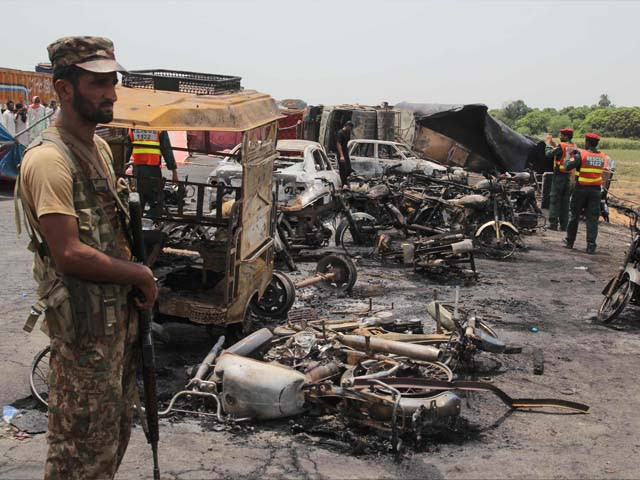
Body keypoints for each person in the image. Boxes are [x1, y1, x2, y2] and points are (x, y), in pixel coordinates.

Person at [15, 36, 157, 479]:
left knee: (112, 441)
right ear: (63, 89)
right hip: (84, 339)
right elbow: (70, 253)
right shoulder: (49, 160)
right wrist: (140, 274)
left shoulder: (96, 148)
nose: (111, 93)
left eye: (112, 81)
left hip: (114, 327)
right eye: (98, 83)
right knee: (78, 455)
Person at [563, 132, 607, 254]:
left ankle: (569, 242)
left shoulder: (581, 154)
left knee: (574, 216)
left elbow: (567, 166)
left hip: (581, 189)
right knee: (592, 219)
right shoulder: (603, 156)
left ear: (587, 142)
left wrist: (569, 154)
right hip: (596, 191)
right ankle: (591, 246)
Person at [125, 128, 179, 213]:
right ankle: (154, 221)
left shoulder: (132, 128)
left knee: (138, 201)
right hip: (153, 169)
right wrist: (174, 172)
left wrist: (122, 167)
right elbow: (166, 149)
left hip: (138, 170)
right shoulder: (159, 127)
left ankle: (139, 222)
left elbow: (127, 150)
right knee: (155, 201)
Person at [545, 128, 577, 231]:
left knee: (555, 199)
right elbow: (563, 154)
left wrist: (548, 144)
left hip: (559, 176)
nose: (560, 137)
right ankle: (564, 226)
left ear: (566, 137)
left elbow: (549, 153)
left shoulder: (562, 146)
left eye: (562, 135)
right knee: (565, 201)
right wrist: (555, 145)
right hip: (569, 177)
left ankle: (553, 224)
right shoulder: (573, 146)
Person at [335, 120, 354, 184]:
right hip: (341, 153)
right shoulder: (340, 133)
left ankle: (345, 182)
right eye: (350, 128)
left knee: (348, 169)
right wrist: (341, 155)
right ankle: (343, 183)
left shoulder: (347, 133)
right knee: (343, 169)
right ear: (347, 126)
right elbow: (338, 144)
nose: (350, 129)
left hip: (345, 153)